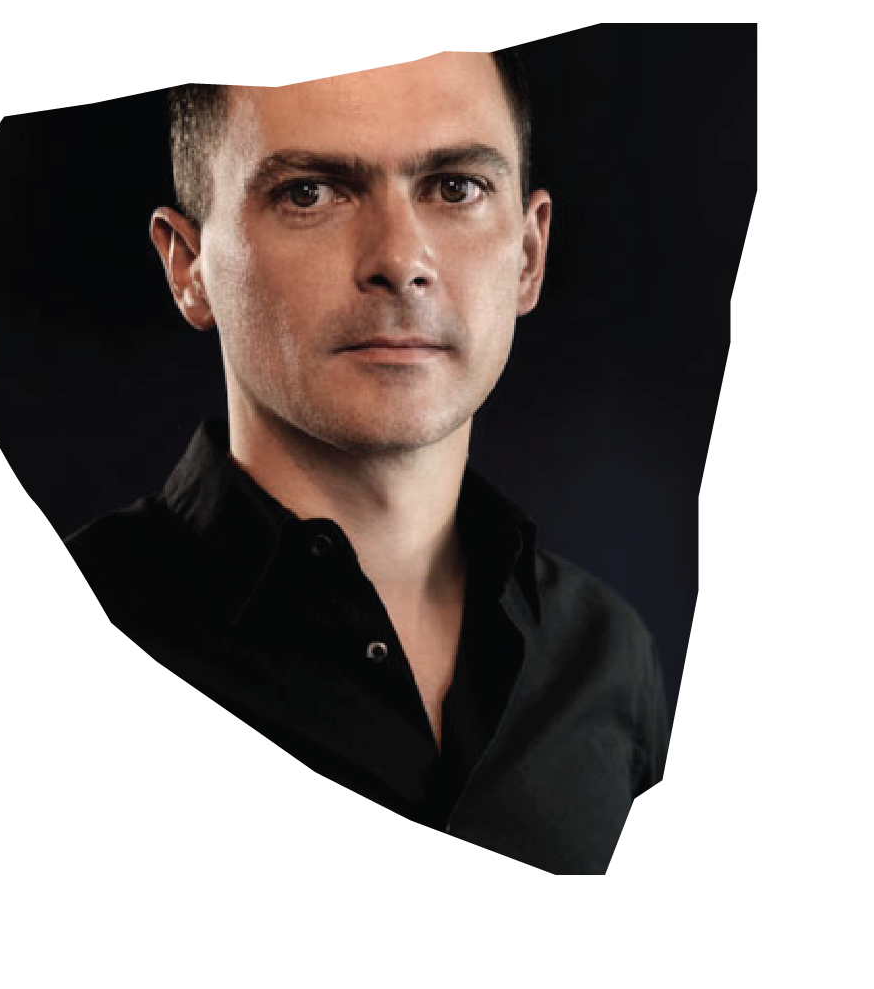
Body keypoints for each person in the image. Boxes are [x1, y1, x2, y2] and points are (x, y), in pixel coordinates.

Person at [64, 51, 670, 893]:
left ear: (528, 254)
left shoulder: (606, 657)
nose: (399, 258)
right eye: (310, 192)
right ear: (187, 266)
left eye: (455, 187)